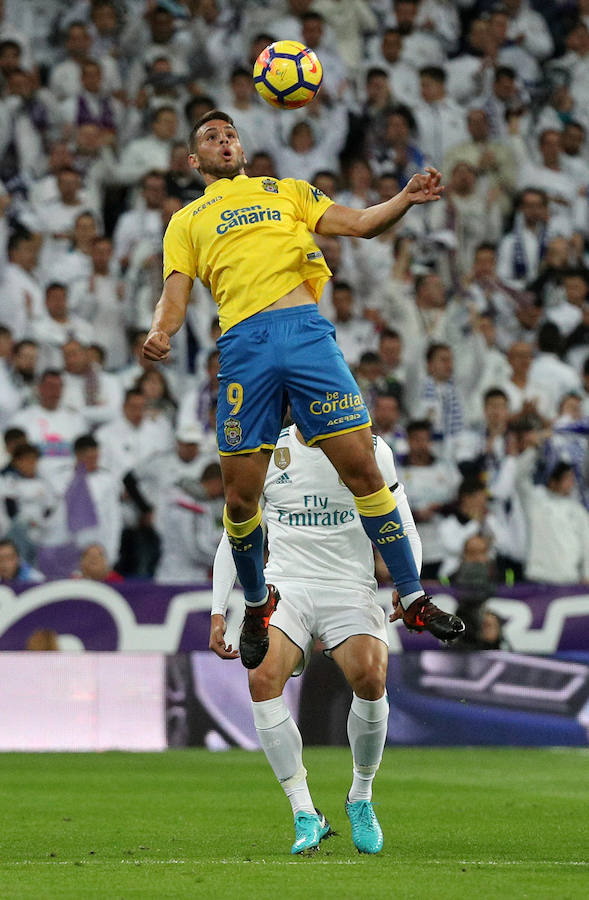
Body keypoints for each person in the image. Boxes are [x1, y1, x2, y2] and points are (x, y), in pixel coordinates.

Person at [143, 108, 463, 670]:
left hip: (308, 336)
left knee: (363, 468)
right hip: (244, 346)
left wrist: (405, 199)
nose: (225, 142)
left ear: (241, 149)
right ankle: (257, 602)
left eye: (231, 135)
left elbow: (360, 223)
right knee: (241, 499)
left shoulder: (287, 191)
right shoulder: (187, 221)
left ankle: (412, 597)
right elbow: (175, 294)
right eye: (212, 138)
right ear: (194, 160)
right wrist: (160, 331)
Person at [210, 424, 422, 855]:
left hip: (349, 586)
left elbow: (404, 523)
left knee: (370, 675)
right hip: (286, 585)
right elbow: (235, 532)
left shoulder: (371, 449)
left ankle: (360, 797)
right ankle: (305, 812)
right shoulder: (267, 452)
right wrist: (218, 609)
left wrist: (409, 584)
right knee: (261, 678)